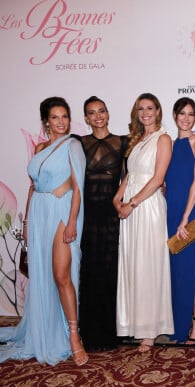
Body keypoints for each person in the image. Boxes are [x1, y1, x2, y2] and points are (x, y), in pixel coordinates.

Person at [0, 97, 88, 365]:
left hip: (62, 212)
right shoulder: (40, 147)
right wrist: (26, 224)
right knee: (42, 276)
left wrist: (72, 221)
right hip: (39, 214)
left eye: (65, 117)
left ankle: (73, 336)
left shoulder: (73, 145)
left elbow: (78, 187)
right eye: (55, 117)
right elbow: (32, 186)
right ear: (46, 122)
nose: (61, 122)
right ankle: (45, 331)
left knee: (62, 275)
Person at [113, 93, 174, 352]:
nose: (145, 113)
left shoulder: (163, 139)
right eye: (141, 109)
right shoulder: (138, 140)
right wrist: (117, 199)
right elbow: (130, 175)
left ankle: (150, 330)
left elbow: (158, 178)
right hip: (130, 207)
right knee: (133, 265)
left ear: (158, 111)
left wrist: (132, 203)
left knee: (148, 265)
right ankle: (134, 324)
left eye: (150, 108)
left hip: (147, 208)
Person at [77, 96, 127, 352]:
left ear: (108, 114)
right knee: (88, 269)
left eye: (102, 111)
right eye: (92, 113)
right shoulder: (78, 143)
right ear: (86, 118)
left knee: (111, 270)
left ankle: (111, 331)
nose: (98, 116)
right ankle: (88, 331)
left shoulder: (123, 142)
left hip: (112, 213)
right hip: (86, 215)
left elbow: (131, 176)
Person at [165, 97, 195, 345]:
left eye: (191, 114)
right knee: (176, 268)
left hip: (191, 214)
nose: (186, 118)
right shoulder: (169, 145)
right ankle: (179, 321)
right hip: (171, 212)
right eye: (182, 113)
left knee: (191, 268)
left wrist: (184, 218)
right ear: (174, 115)